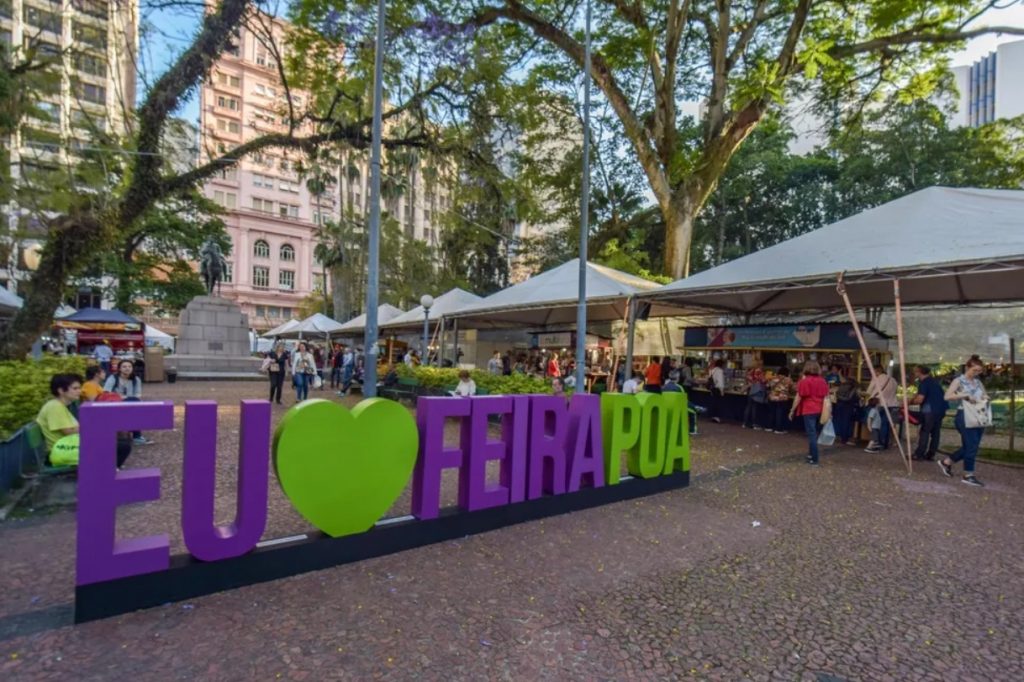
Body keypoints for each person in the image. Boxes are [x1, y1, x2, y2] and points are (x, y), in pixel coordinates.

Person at [938, 357, 988, 487]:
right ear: (967, 368)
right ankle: (968, 474)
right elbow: (947, 396)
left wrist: (985, 398)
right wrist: (964, 396)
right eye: (974, 370)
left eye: (979, 371)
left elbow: (984, 395)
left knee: (972, 445)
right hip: (964, 415)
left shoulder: (978, 382)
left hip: (978, 415)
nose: (976, 373)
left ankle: (947, 462)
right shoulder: (958, 381)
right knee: (971, 446)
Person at [790, 361, 830, 466]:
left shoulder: (804, 381)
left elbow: (799, 397)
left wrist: (792, 410)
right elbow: (827, 396)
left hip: (809, 409)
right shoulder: (822, 381)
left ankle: (814, 458)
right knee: (815, 433)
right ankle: (811, 455)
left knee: (811, 434)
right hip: (821, 409)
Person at [104, 359, 152, 445]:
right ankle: (136, 436)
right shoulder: (113, 378)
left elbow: (138, 394)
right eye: (124, 366)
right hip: (115, 404)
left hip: (131, 403)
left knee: (136, 406)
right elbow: (106, 393)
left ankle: (136, 436)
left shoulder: (136, 379)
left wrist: (129, 399)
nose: (127, 368)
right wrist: (124, 398)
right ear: (119, 369)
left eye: (129, 366)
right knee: (135, 405)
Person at [36, 373, 82, 455]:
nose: (79, 391)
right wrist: (91, 428)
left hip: (68, 448)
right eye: (75, 388)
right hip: (63, 451)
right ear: (61, 390)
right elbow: (68, 432)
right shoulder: (55, 407)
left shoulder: (59, 405)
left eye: (79, 388)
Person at [911, 365, 947, 461]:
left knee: (925, 431)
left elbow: (920, 399)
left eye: (915, 372)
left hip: (929, 409)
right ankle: (931, 454)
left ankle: (919, 453)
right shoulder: (935, 382)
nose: (914, 374)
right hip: (941, 409)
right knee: (935, 433)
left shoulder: (924, 383)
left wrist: (909, 402)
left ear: (919, 372)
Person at [867, 366, 898, 449]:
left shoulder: (876, 378)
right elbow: (895, 391)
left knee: (879, 424)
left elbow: (869, 391)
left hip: (880, 404)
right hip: (892, 404)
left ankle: (879, 442)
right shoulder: (893, 380)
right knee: (888, 424)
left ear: (877, 372)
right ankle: (886, 443)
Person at [833, 376, 860, 446]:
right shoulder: (853, 387)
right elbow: (850, 397)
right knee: (846, 422)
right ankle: (844, 439)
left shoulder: (841, 386)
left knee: (841, 421)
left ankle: (841, 436)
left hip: (839, 405)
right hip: (848, 406)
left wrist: (840, 399)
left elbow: (837, 394)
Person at [767, 367, 794, 434]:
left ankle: (769, 427)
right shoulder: (788, 379)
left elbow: (768, 385)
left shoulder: (774, 378)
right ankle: (778, 429)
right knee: (780, 413)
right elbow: (793, 388)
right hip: (782, 398)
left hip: (773, 397)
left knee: (772, 412)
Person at [742, 363, 767, 430]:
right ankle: (754, 424)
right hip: (756, 391)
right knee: (754, 407)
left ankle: (744, 423)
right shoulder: (759, 372)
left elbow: (747, 377)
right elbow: (763, 380)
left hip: (750, 390)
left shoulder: (751, 371)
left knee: (748, 406)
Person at [709, 359, 726, 423]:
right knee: (718, 403)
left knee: (714, 402)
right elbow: (720, 381)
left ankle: (713, 416)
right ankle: (717, 417)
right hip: (717, 389)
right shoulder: (720, 371)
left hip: (713, 388)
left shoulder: (713, 370)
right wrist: (722, 391)